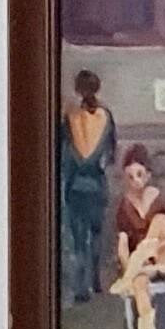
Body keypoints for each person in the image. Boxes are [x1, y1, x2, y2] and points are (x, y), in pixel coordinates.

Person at [109, 147, 165, 329]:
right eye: (130, 176)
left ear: (148, 175)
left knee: (159, 220)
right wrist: (128, 268)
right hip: (141, 264)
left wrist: (157, 246)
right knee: (140, 282)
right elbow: (123, 245)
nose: (135, 181)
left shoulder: (161, 199)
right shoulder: (124, 206)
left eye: (140, 175)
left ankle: (136, 271)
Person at [57, 71, 117, 308]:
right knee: (96, 235)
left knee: (79, 238)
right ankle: (95, 281)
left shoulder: (70, 117)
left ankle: (82, 288)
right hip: (97, 186)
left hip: (75, 187)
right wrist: (100, 163)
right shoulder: (106, 117)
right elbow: (111, 152)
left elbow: (64, 155)